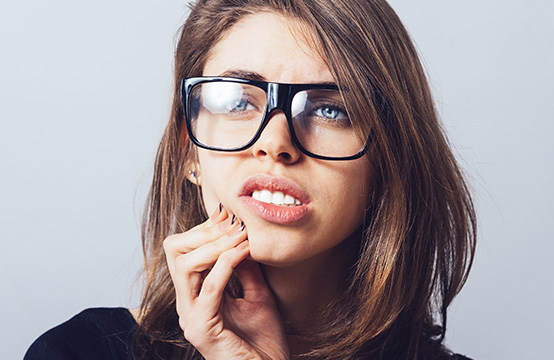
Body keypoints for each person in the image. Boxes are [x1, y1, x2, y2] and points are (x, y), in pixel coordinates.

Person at [25, 0, 477, 359]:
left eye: (330, 109)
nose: (276, 142)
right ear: (189, 149)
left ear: (389, 163)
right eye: (239, 101)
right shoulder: (78, 352)